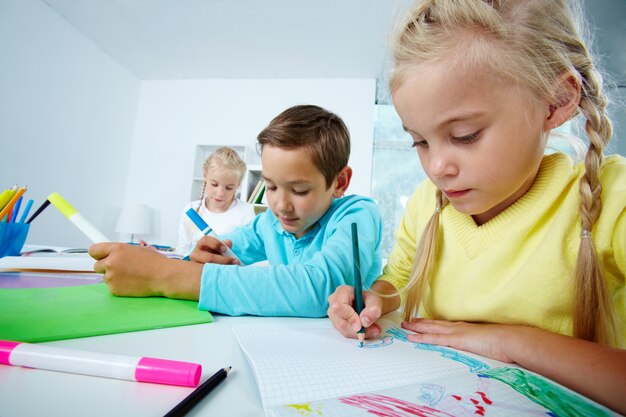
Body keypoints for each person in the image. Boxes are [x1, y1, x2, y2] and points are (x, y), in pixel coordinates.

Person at [327, 0, 625, 413]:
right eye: (420, 141)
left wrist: (510, 341)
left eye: (465, 135)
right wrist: (371, 298)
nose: (436, 167)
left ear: (556, 102)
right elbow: (395, 281)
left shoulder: (614, 201)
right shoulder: (424, 208)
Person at [90, 104, 383, 317]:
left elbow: (323, 289)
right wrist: (189, 256)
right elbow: (223, 249)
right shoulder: (270, 222)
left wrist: (166, 275)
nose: (280, 205)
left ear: (339, 182)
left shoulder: (358, 214)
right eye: (270, 186)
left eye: (299, 190)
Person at [176, 146, 255, 255]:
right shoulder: (191, 210)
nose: (220, 193)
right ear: (205, 176)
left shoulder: (246, 212)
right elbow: (182, 251)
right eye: (214, 184)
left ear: (238, 184)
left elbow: (250, 253)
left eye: (229, 188)